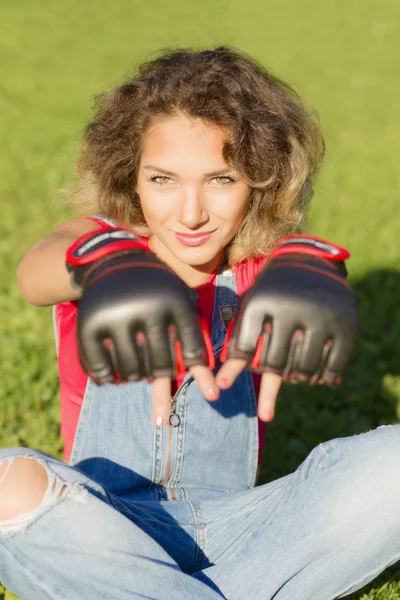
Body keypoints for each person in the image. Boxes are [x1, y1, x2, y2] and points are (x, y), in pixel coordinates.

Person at [0, 46, 399, 600]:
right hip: (107, 524)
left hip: (243, 526)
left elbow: (302, 266)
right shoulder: (99, 243)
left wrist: (313, 277)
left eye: (221, 180)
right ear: (131, 177)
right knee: (7, 483)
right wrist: (104, 266)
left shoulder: (260, 265)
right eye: (163, 180)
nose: (190, 213)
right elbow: (36, 272)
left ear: (261, 182)